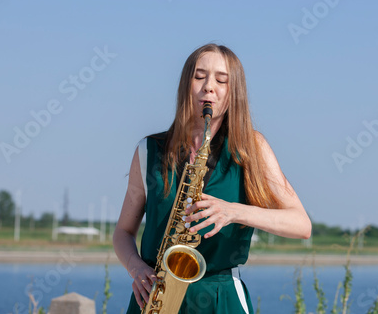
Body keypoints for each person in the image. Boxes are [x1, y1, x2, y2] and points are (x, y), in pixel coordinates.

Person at [113, 43, 312, 314]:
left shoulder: (251, 147)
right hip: (154, 297)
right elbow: (123, 232)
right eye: (199, 76)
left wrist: (233, 211)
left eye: (221, 80)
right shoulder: (147, 151)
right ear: (185, 85)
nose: (209, 87)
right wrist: (136, 268)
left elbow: (301, 224)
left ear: (233, 94)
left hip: (221, 300)